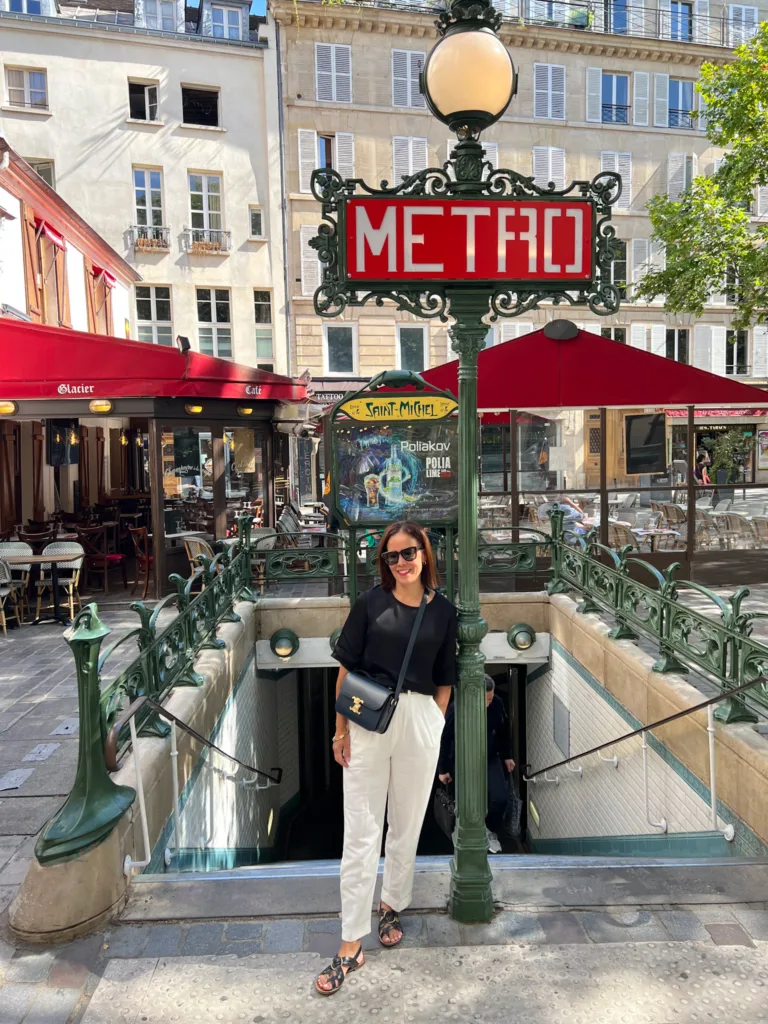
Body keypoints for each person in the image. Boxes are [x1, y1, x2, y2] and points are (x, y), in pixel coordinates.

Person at [315, 520, 457, 996]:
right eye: (393, 556)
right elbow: (345, 670)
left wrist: (433, 720)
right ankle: (349, 942)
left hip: (419, 722)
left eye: (409, 553)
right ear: (384, 563)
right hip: (369, 722)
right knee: (360, 830)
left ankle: (392, 903)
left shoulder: (444, 612)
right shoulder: (370, 604)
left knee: (408, 821)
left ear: (425, 554)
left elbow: (445, 676)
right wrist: (340, 729)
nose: (402, 563)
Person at [437, 675, 515, 854]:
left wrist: (507, 756)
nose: (489, 702)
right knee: (468, 801)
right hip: (462, 760)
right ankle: (469, 833)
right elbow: (445, 738)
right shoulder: (456, 708)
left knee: (500, 798)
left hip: (490, 757)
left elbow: (503, 730)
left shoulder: (496, 704)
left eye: (490, 698)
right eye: (486, 699)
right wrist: (443, 769)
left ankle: (489, 830)